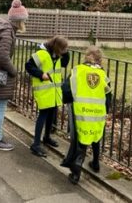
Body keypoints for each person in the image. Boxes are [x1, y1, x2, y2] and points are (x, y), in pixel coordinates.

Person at [60, 46, 111, 184]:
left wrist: (69, 101)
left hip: (81, 111)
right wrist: (106, 110)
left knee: (81, 139)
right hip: (98, 113)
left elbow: (65, 89)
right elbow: (108, 95)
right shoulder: (102, 75)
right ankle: (95, 163)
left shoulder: (77, 71)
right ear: (100, 59)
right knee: (95, 136)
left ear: (86, 56)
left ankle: (76, 170)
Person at [0, 0, 28, 151]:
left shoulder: (2, 28)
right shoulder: (7, 33)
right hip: (1, 74)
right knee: (0, 107)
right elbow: (4, 57)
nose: (25, 24)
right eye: (24, 20)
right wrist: (14, 71)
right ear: (19, 20)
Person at [25, 35, 70, 157]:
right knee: (43, 115)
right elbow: (28, 66)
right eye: (62, 49)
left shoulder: (57, 55)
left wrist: (66, 51)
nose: (63, 52)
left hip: (54, 91)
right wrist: (40, 74)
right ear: (56, 47)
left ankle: (47, 137)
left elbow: (65, 63)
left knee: (52, 114)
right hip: (44, 91)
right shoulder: (42, 54)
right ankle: (36, 144)